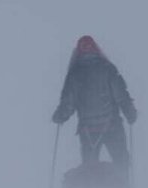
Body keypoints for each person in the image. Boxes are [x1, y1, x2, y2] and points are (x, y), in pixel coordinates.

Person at [51, 35, 137, 171]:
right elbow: (122, 95)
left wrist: (59, 116)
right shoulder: (108, 68)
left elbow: (68, 103)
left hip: (88, 130)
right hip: (113, 126)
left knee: (89, 170)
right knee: (121, 162)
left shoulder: (74, 74)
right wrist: (130, 113)